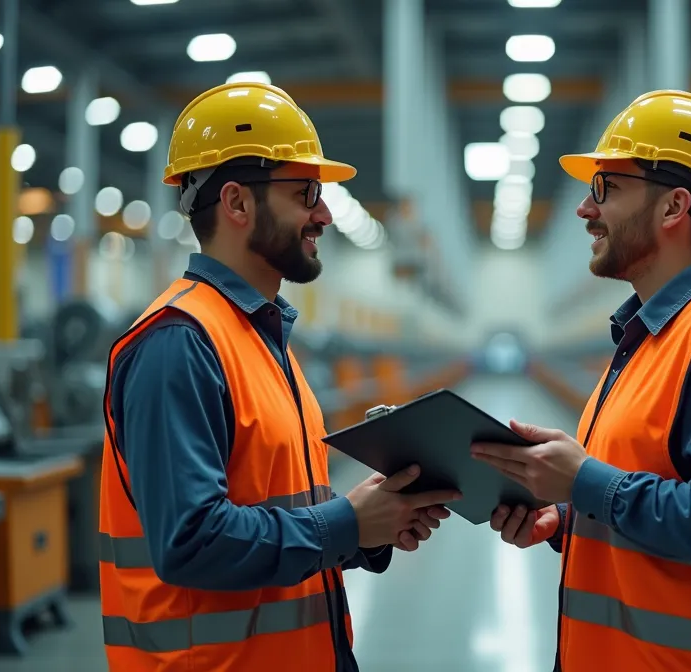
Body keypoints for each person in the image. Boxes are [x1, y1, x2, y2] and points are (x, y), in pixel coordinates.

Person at [97, 81, 461, 672]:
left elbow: (278, 515)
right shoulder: (178, 343)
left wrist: (368, 527)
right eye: (305, 193)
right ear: (238, 203)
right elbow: (191, 542)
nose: (323, 214)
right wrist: (347, 521)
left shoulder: (264, 339)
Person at [471, 89, 691, 671]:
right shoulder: (649, 338)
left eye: (606, 189)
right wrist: (568, 519)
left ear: (672, 207)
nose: (587, 210)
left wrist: (587, 484)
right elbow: (651, 491)